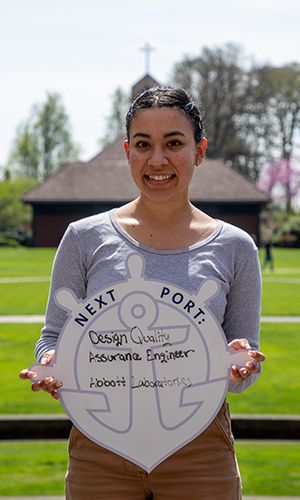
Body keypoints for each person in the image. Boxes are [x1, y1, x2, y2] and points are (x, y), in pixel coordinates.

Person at [20, 87, 265, 500]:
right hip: (99, 446)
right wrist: (51, 359)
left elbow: (240, 364)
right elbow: (54, 337)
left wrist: (241, 363)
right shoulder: (83, 238)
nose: (157, 160)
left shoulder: (236, 247)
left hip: (200, 450)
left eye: (174, 143)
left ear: (199, 150)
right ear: (127, 152)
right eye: (143, 145)